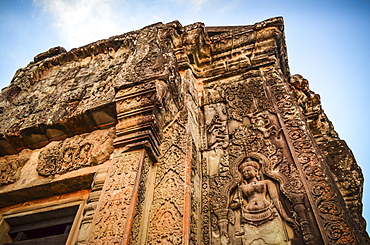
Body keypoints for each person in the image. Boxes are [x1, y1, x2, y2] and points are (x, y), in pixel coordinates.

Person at [230, 158, 296, 244]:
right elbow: (233, 204)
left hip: (268, 211)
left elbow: (276, 200)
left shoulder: (266, 182)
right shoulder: (242, 187)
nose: (246, 173)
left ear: (256, 171)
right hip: (248, 215)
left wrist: (285, 217)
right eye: (244, 172)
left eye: (248, 170)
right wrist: (239, 203)